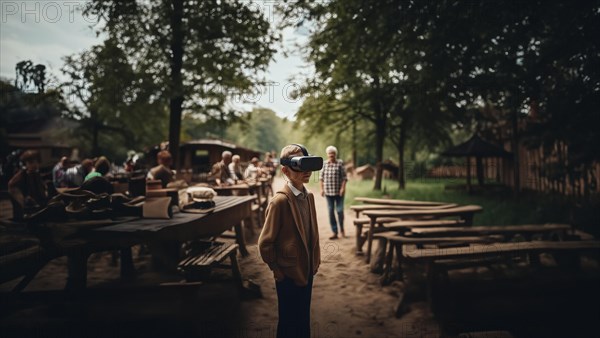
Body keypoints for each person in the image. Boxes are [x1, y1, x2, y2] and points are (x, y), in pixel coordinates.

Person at [258, 144, 321, 338]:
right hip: (287, 273)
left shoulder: (308, 197)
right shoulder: (280, 202)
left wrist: (314, 261)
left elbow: (312, 232)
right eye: (299, 165)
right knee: (288, 321)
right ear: (285, 170)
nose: (306, 171)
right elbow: (265, 243)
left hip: (307, 269)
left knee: (303, 319)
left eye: (307, 164)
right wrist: (277, 269)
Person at [8, 150, 47, 219]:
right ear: (25, 164)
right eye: (31, 162)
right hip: (18, 192)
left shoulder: (36, 173)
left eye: (36, 162)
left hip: (31, 197)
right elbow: (13, 187)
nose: (34, 165)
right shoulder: (23, 174)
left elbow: (39, 187)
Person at [319, 145, 348, 239]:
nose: (331, 155)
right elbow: (321, 178)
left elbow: (344, 178)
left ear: (336, 154)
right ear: (327, 154)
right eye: (330, 153)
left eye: (333, 153)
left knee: (339, 211)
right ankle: (335, 232)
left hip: (339, 192)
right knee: (331, 211)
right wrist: (322, 189)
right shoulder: (324, 164)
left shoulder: (340, 163)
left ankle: (342, 229)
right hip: (328, 192)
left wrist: (343, 188)